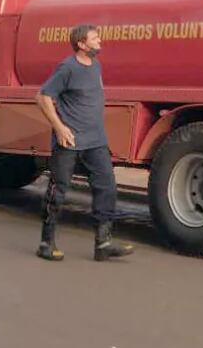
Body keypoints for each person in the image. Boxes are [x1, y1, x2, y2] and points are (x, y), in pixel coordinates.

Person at [35, 23, 134, 262]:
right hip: (69, 140)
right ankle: (46, 243)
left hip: (96, 140)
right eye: (94, 38)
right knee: (58, 191)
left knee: (107, 187)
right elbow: (43, 96)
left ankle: (103, 243)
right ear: (81, 44)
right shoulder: (67, 68)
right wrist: (60, 127)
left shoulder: (96, 65)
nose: (99, 41)